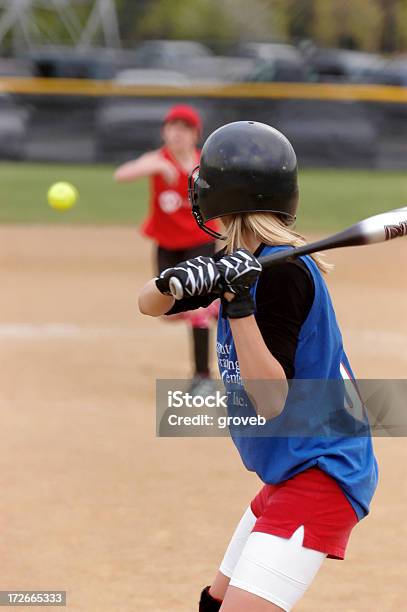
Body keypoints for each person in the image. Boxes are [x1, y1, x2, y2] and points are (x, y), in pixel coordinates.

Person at [138, 121, 378, 611]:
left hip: (323, 472)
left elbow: (270, 400)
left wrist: (239, 305)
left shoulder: (281, 273)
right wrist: (175, 282)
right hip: (288, 470)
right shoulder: (238, 260)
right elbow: (147, 305)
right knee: (214, 602)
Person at [115, 104, 219, 392]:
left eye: (185, 128)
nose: (177, 134)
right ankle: (219, 306)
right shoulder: (157, 159)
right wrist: (158, 166)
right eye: (173, 127)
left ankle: (203, 376)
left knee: (196, 308)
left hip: (200, 243)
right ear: (164, 131)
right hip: (167, 246)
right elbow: (122, 174)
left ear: (196, 135)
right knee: (167, 310)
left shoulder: (204, 165)